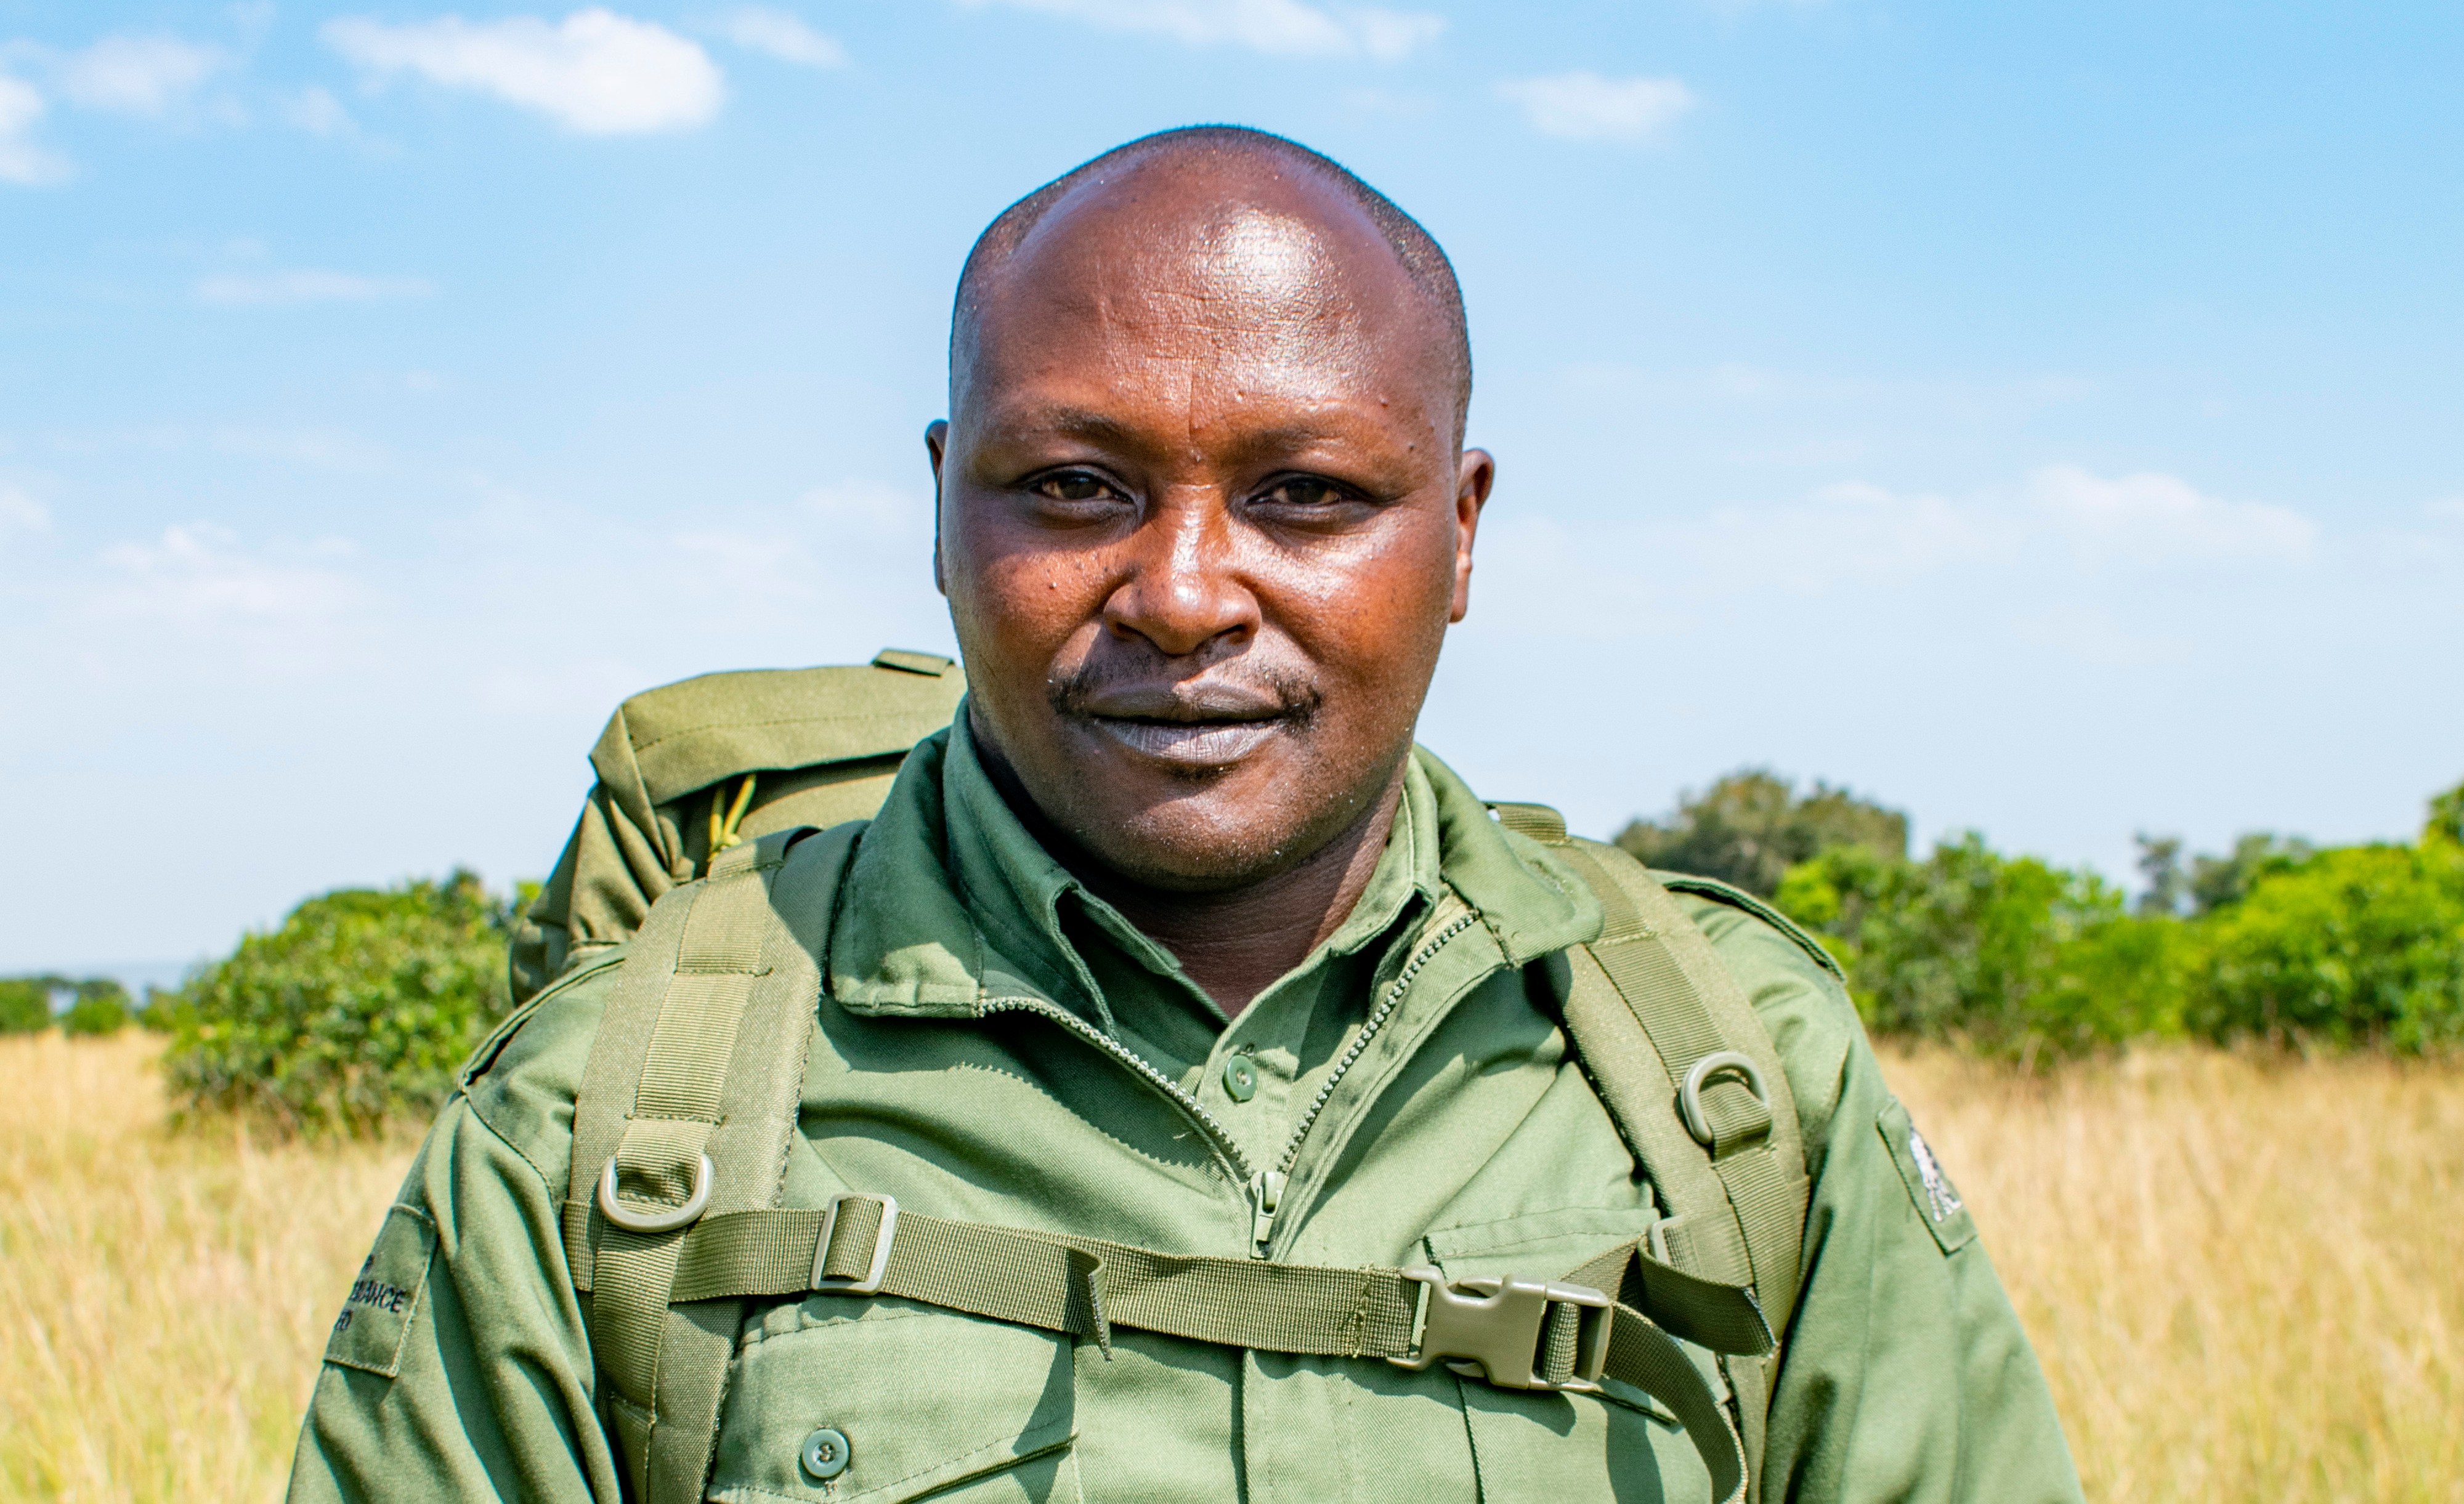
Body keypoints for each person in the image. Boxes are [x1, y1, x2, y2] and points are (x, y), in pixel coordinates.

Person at [288, 126, 2082, 1504]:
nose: (1182, 591)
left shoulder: (1732, 1080)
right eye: (1075, 486)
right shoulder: (611, 1112)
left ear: (1460, 534)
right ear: (940, 509)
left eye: (1307, 495)